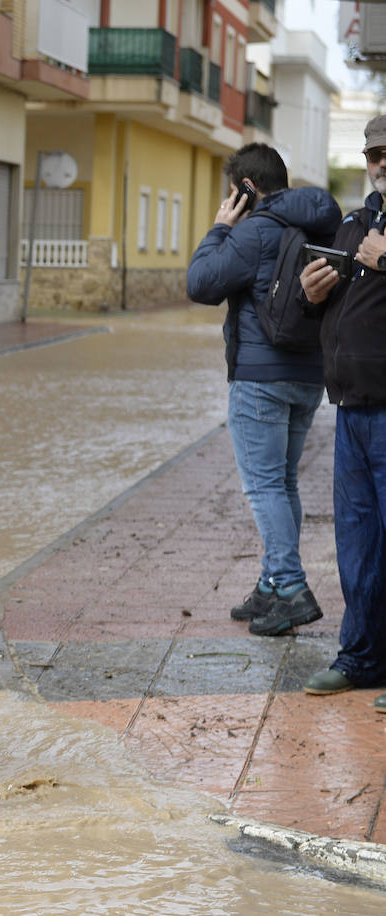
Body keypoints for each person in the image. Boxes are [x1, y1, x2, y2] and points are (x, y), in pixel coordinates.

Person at [186, 143, 341, 636]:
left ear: (245, 189)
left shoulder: (254, 231)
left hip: (260, 381)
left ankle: (291, 587)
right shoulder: (317, 225)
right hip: (308, 377)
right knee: (284, 483)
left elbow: (200, 284)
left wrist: (219, 228)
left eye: (233, 192)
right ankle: (271, 585)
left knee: (264, 486)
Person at [296, 114, 386, 709]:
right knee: (357, 545)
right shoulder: (355, 224)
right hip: (351, 409)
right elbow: (330, 315)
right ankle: (359, 658)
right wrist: (312, 293)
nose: (382, 163)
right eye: (376, 153)